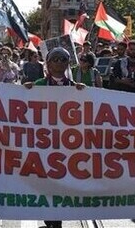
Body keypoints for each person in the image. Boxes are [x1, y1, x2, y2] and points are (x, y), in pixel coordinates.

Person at [23, 47, 85, 228]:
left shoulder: (75, 88)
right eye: (55, 59)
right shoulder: (38, 85)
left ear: (68, 63)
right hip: (43, 144)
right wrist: (25, 91)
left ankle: (56, 220)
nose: (58, 63)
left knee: (62, 183)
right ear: (48, 63)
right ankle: (50, 219)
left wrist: (84, 93)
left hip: (66, 145)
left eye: (63, 59)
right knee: (45, 182)